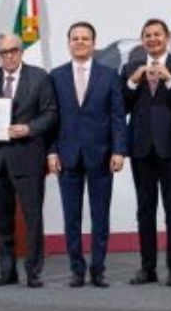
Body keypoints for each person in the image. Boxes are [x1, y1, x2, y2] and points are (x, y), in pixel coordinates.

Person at [47, 22, 127, 289]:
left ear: (94, 43)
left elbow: (118, 117)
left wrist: (119, 150)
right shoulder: (56, 76)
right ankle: (77, 270)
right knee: (71, 217)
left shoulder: (109, 75)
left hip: (101, 155)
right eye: (75, 38)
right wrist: (51, 152)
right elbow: (51, 119)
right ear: (68, 43)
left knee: (100, 216)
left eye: (85, 38)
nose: (80, 42)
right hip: (67, 155)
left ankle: (98, 269)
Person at [121, 18, 171, 287]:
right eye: (147, 35)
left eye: (157, 34)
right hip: (141, 149)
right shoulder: (130, 68)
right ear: (142, 39)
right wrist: (132, 83)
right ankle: (147, 268)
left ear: (168, 38)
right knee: (145, 211)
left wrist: (170, 80)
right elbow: (122, 107)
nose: (152, 39)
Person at [0, 33, 57, 288]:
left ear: (21, 51)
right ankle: (7, 271)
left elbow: (51, 114)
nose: (9, 56)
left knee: (32, 219)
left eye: (14, 50)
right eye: (4, 52)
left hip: (28, 157)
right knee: (1, 220)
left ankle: (33, 272)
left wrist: (29, 129)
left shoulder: (40, 77)